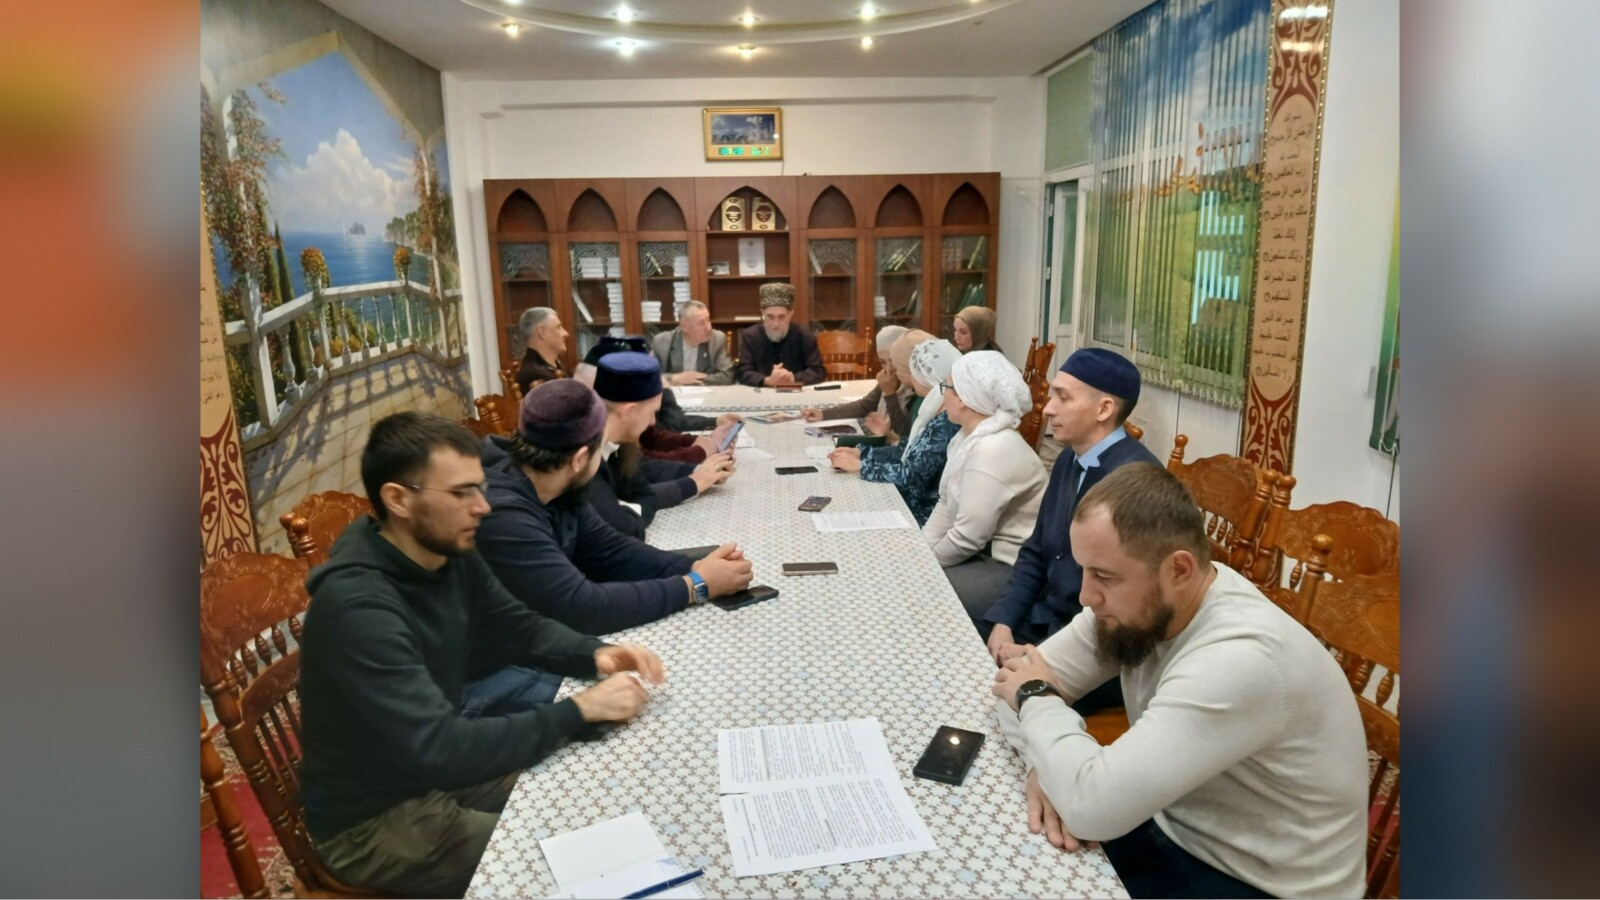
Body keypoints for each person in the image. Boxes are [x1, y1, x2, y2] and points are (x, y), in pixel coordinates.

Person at [298, 411, 666, 898]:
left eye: (480, 487)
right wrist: (580, 709)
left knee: (595, 800)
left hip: (430, 772)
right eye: (461, 493)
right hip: (373, 821)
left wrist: (596, 654)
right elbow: (444, 748)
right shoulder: (358, 608)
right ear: (398, 499)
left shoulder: (445, 549)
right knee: (581, 864)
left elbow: (518, 626)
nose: (483, 507)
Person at [990, 463, 1367, 899]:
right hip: (1175, 829)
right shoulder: (1139, 604)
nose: (1086, 596)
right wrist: (1044, 767)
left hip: (1259, 882)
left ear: (1180, 570)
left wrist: (1037, 698)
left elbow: (1088, 801)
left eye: (1104, 576)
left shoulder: (1240, 658)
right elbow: (1009, 686)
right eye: (1084, 571)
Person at [477, 379, 753, 635]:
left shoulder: (555, 483)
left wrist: (695, 566)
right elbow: (583, 608)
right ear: (579, 459)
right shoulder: (503, 514)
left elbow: (612, 550)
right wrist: (696, 585)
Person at [980, 348, 1159, 714]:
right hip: (1048, 622)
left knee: (992, 701)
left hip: (1099, 654)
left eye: (1063, 397)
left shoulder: (1134, 485)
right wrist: (1004, 620)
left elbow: (1122, 613)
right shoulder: (1069, 459)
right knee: (967, 635)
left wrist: (1041, 655)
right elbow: (1036, 550)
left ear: (1104, 409)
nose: (1047, 409)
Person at [926, 350, 1047, 619]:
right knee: (913, 574)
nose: (943, 395)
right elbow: (946, 501)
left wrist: (926, 564)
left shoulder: (993, 450)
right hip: (984, 554)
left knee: (926, 593)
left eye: (947, 387)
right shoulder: (967, 439)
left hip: (1009, 567)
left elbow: (968, 537)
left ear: (964, 397)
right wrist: (922, 551)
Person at [586, 350, 734, 539]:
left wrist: (699, 471)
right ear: (630, 411)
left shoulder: (615, 442)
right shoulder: (585, 460)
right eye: (652, 412)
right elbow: (627, 525)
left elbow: (640, 485)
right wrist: (693, 482)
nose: (652, 422)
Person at [828, 336, 962, 525]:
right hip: (915, 502)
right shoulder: (933, 408)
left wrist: (862, 466)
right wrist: (862, 453)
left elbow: (912, 475)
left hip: (922, 512)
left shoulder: (946, 420)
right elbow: (909, 451)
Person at [800, 325, 912, 438]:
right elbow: (863, 406)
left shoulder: (914, 386)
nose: (888, 369)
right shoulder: (888, 379)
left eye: (892, 360)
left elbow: (904, 436)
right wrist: (823, 414)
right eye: (883, 362)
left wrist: (890, 394)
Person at [735, 283, 826, 386]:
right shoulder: (750, 336)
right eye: (770, 317)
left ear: (790, 314)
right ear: (762, 313)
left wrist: (793, 378)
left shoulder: (805, 335)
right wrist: (767, 380)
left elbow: (818, 371)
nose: (776, 324)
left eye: (781, 317)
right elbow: (743, 372)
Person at [652, 299, 735, 385]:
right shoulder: (662, 342)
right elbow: (648, 376)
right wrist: (675, 378)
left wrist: (693, 379)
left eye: (708, 320)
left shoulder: (717, 339)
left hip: (706, 391)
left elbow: (727, 377)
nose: (708, 328)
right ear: (684, 326)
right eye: (701, 323)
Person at [514, 307, 571, 392]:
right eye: (558, 327)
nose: (566, 333)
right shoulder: (537, 377)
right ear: (542, 332)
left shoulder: (556, 367)